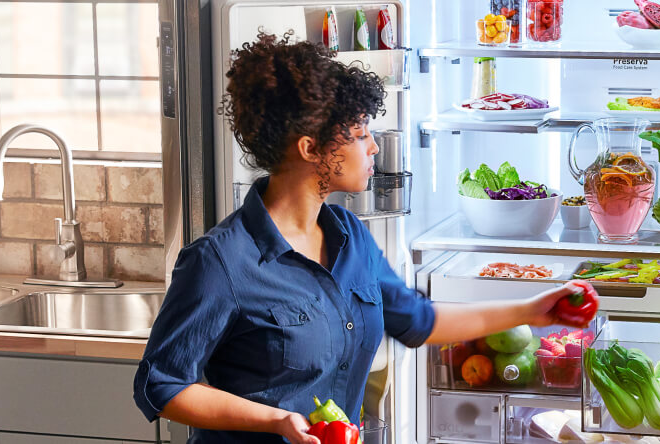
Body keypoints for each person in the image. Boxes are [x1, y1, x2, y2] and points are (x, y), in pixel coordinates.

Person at [133, 33, 590, 444]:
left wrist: (535, 308)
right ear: (310, 148)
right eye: (360, 134)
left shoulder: (350, 236)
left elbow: (419, 321)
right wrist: (275, 421)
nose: (373, 147)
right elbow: (163, 385)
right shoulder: (221, 262)